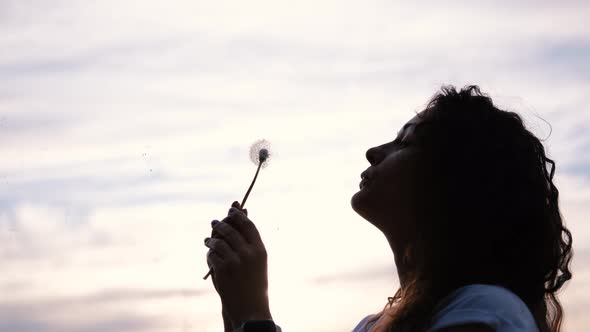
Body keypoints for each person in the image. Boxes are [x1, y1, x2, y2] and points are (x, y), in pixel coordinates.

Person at [203, 85, 573, 332]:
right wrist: (237, 307)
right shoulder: (372, 325)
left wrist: (254, 314)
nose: (374, 152)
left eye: (406, 142)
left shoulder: (488, 311)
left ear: (453, 178)